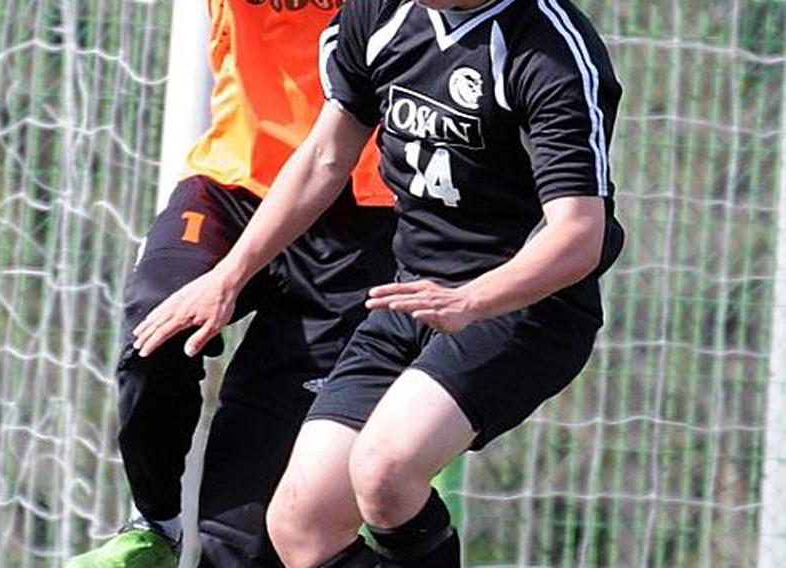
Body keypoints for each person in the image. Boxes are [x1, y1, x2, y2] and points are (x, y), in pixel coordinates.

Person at [131, 0, 625, 565]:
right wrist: (228, 275)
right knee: (301, 524)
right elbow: (323, 158)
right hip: (410, 296)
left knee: (384, 471)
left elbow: (579, 234)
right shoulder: (378, 15)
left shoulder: (551, 50)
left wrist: (473, 298)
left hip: (523, 308)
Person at [65, 1, 396, 567]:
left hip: (360, 212)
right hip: (235, 180)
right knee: (156, 331)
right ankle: (154, 525)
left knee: (240, 539)